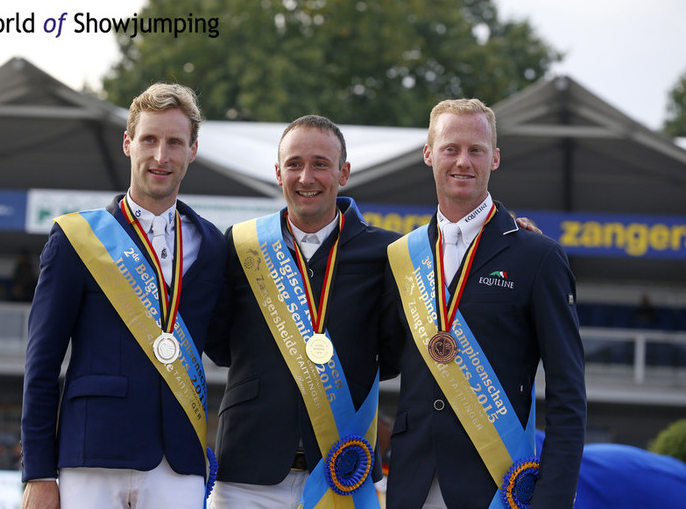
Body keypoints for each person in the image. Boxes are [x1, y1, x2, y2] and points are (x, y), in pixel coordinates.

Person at [20, 83, 226, 509]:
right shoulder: (76, 238)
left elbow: (225, 345)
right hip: (91, 455)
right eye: (149, 139)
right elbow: (41, 363)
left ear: (193, 150)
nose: (161, 156)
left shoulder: (212, 245)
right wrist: (38, 473)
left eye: (175, 142)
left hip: (179, 463)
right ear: (128, 143)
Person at [385, 99, 586, 509]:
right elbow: (384, 357)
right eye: (450, 148)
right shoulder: (401, 257)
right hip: (410, 484)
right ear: (429, 154)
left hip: (498, 485)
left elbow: (568, 392)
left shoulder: (538, 256)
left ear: (494, 158)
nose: (463, 161)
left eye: (476, 149)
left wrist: (553, 499)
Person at [205, 115, 404, 508]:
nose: (306, 177)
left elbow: (393, 355)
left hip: (342, 470)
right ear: (278, 173)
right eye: (294, 164)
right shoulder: (243, 246)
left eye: (320, 164)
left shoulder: (386, 253)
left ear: (343, 172)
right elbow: (219, 345)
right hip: (247, 472)